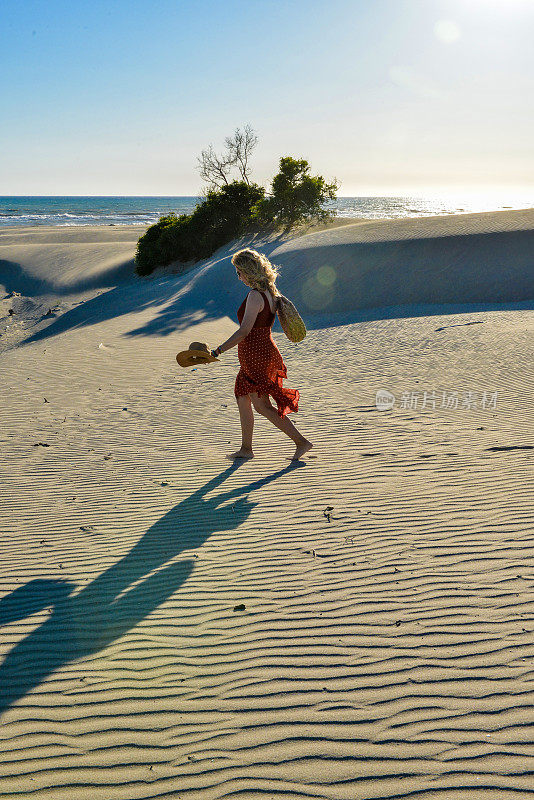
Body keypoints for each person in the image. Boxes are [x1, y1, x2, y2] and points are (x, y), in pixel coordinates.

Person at [210, 248, 313, 461]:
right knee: (242, 397)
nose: (239, 277)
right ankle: (246, 448)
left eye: (239, 272)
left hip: (256, 354)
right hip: (260, 352)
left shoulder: (255, 295)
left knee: (262, 405)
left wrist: (219, 349)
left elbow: (244, 330)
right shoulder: (270, 291)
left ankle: (301, 442)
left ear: (248, 271)